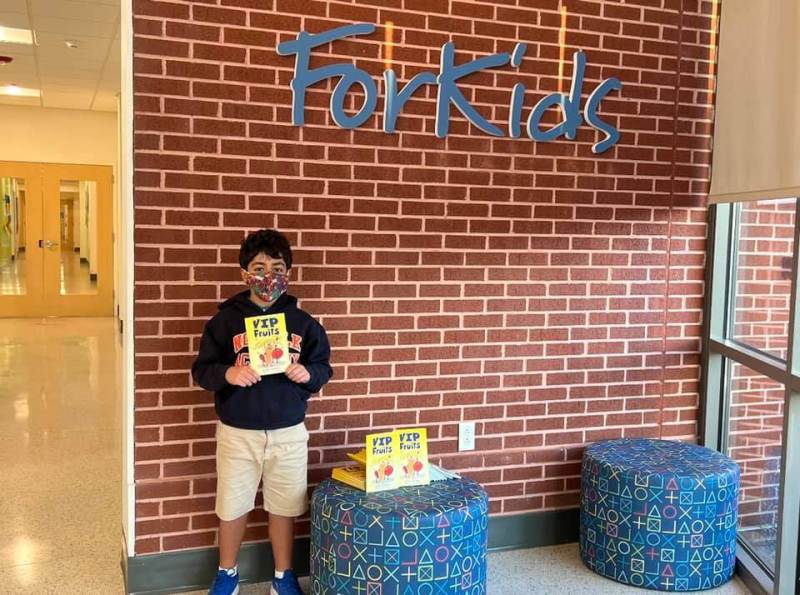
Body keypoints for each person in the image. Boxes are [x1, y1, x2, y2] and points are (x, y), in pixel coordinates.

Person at [192, 229, 333, 595]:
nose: (268, 276)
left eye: (277, 267)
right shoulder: (224, 322)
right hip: (238, 431)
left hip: (288, 431)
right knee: (231, 505)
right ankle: (227, 574)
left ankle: (283, 577)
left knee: (285, 506)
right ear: (244, 274)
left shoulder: (303, 323)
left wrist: (309, 374)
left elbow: (323, 367)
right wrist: (228, 372)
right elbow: (202, 371)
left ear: (288, 274)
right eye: (259, 267)